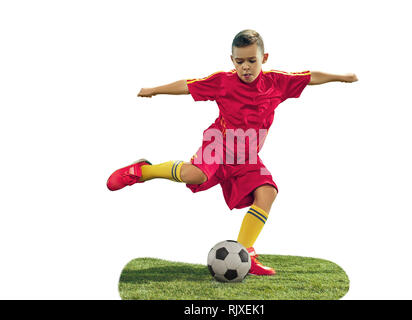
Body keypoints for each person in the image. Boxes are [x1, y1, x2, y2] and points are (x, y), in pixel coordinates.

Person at [107, 29, 358, 275]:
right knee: (195, 175)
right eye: (240, 61)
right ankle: (142, 170)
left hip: (246, 156)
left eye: (252, 60)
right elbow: (188, 85)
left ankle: (245, 254)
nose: (246, 67)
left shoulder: (277, 83)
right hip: (219, 144)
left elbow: (310, 76)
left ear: (264, 58)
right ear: (232, 61)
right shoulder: (223, 82)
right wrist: (155, 90)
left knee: (267, 193)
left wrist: (344, 76)